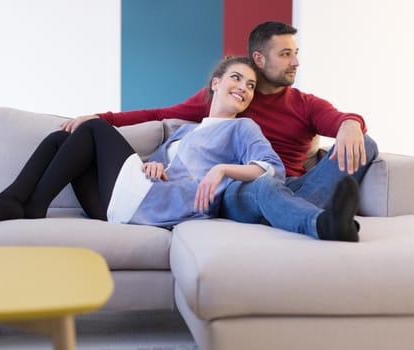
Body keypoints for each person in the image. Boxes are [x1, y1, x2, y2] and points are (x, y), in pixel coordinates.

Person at [61, 21, 378, 241]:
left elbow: (340, 119)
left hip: (295, 184)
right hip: (242, 188)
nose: (295, 61)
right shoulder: (230, 100)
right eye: (285, 54)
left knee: (366, 143)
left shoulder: (305, 104)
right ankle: (319, 219)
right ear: (259, 58)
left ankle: (296, 212)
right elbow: (158, 114)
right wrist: (101, 118)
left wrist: (350, 123)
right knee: (263, 186)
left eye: (295, 54)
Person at [0, 56, 285, 228]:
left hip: (156, 205)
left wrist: (222, 170)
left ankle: (34, 205)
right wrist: (153, 163)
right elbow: (153, 167)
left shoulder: (243, 128)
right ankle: (11, 200)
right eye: (236, 78)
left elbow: (273, 170)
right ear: (216, 83)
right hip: (115, 206)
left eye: (251, 85)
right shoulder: (186, 131)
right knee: (60, 137)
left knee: (94, 129)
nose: (244, 87)